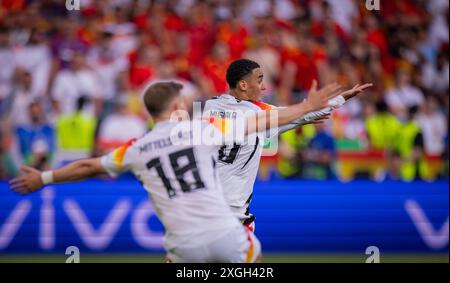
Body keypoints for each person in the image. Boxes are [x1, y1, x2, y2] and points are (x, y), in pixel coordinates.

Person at [8, 80, 340, 263]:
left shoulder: (137, 147)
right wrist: (308, 108)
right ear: (177, 107)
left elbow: (89, 166)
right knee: (254, 254)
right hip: (227, 236)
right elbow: (260, 121)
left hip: (183, 246)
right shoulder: (202, 130)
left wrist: (44, 178)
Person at [204, 58, 372, 230]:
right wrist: (341, 99)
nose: (264, 87)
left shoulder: (208, 106)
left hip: (202, 208)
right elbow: (302, 114)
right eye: (259, 80)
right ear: (243, 85)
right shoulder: (258, 113)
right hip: (233, 217)